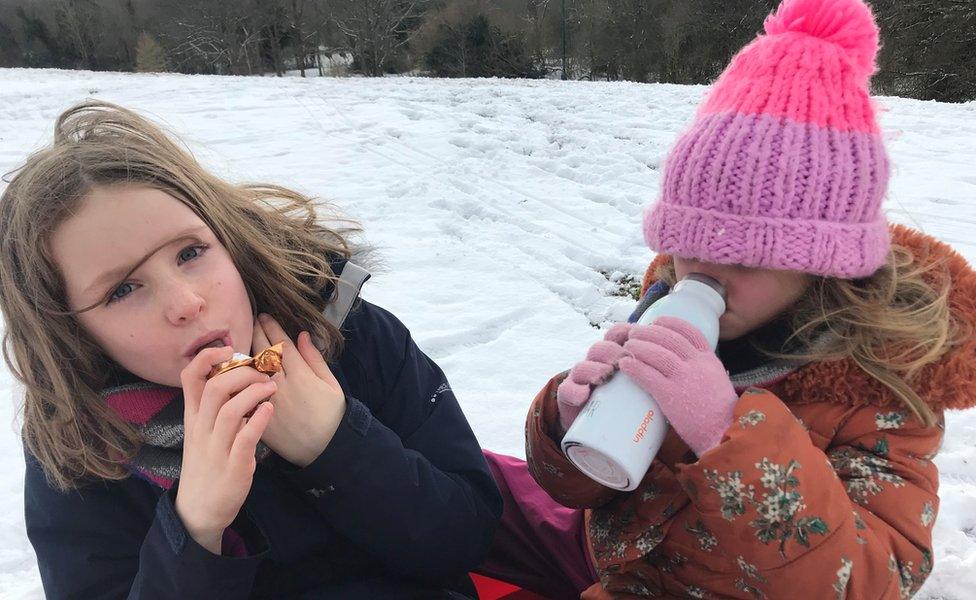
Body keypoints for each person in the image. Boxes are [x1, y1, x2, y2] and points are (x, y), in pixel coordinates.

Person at [525, 0, 976, 597]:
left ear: (820, 265)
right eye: (688, 245)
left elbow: (870, 582)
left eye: (743, 258)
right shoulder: (667, 307)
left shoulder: (879, 389)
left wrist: (726, 432)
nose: (702, 274)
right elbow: (589, 494)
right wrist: (568, 426)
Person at [0, 100, 501, 599]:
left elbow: (470, 536)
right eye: (123, 290)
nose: (186, 303)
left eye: (191, 253)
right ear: (72, 332)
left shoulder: (345, 334)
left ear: (226, 237)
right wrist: (196, 529)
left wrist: (336, 447)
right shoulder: (81, 448)